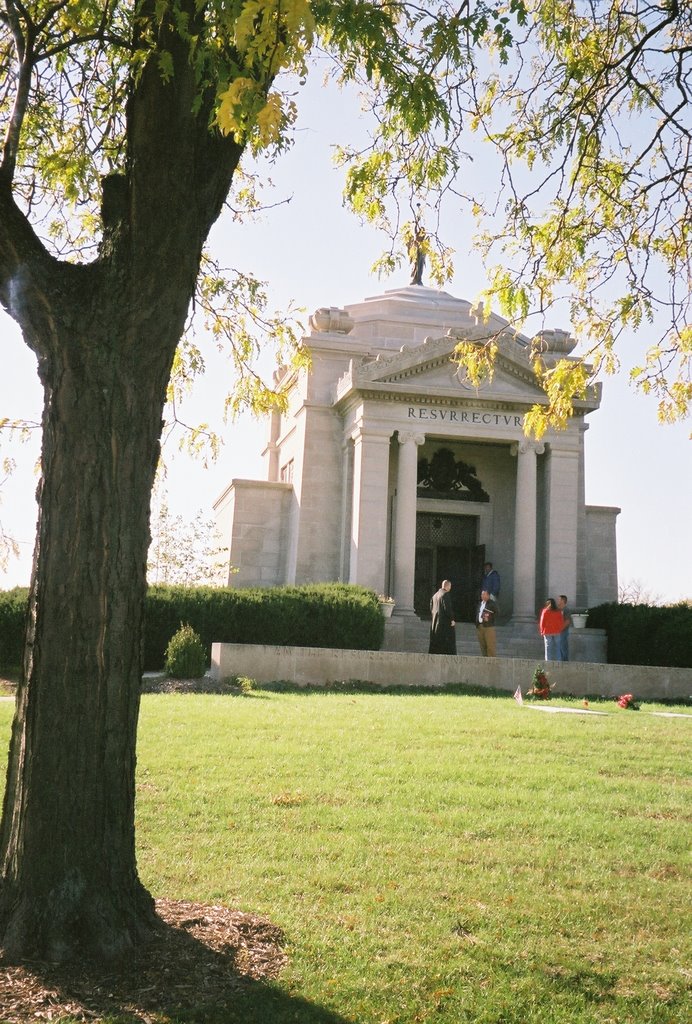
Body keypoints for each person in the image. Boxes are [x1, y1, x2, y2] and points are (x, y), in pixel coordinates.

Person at [428, 579, 456, 654]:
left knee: (436, 645)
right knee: (446, 646)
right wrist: (452, 620)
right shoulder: (445, 594)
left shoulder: (435, 595)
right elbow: (447, 608)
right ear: (448, 586)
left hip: (435, 624)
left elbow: (431, 608)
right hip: (444, 625)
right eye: (450, 587)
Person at [476, 589, 499, 657]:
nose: (482, 596)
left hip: (488, 627)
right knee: (482, 645)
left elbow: (497, 613)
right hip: (480, 626)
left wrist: (489, 617)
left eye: (484, 594)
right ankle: (485, 659)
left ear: (488, 595)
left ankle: (491, 662)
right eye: (482, 594)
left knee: (490, 645)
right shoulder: (480, 603)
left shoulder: (492, 603)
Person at [557, 594, 572, 662]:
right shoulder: (558, 610)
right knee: (559, 647)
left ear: (563, 600)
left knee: (563, 647)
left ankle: (565, 662)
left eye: (559, 600)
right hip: (558, 632)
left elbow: (568, 621)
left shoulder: (566, 610)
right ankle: (560, 661)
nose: (558, 601)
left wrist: (560, 629)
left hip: (563, 632)